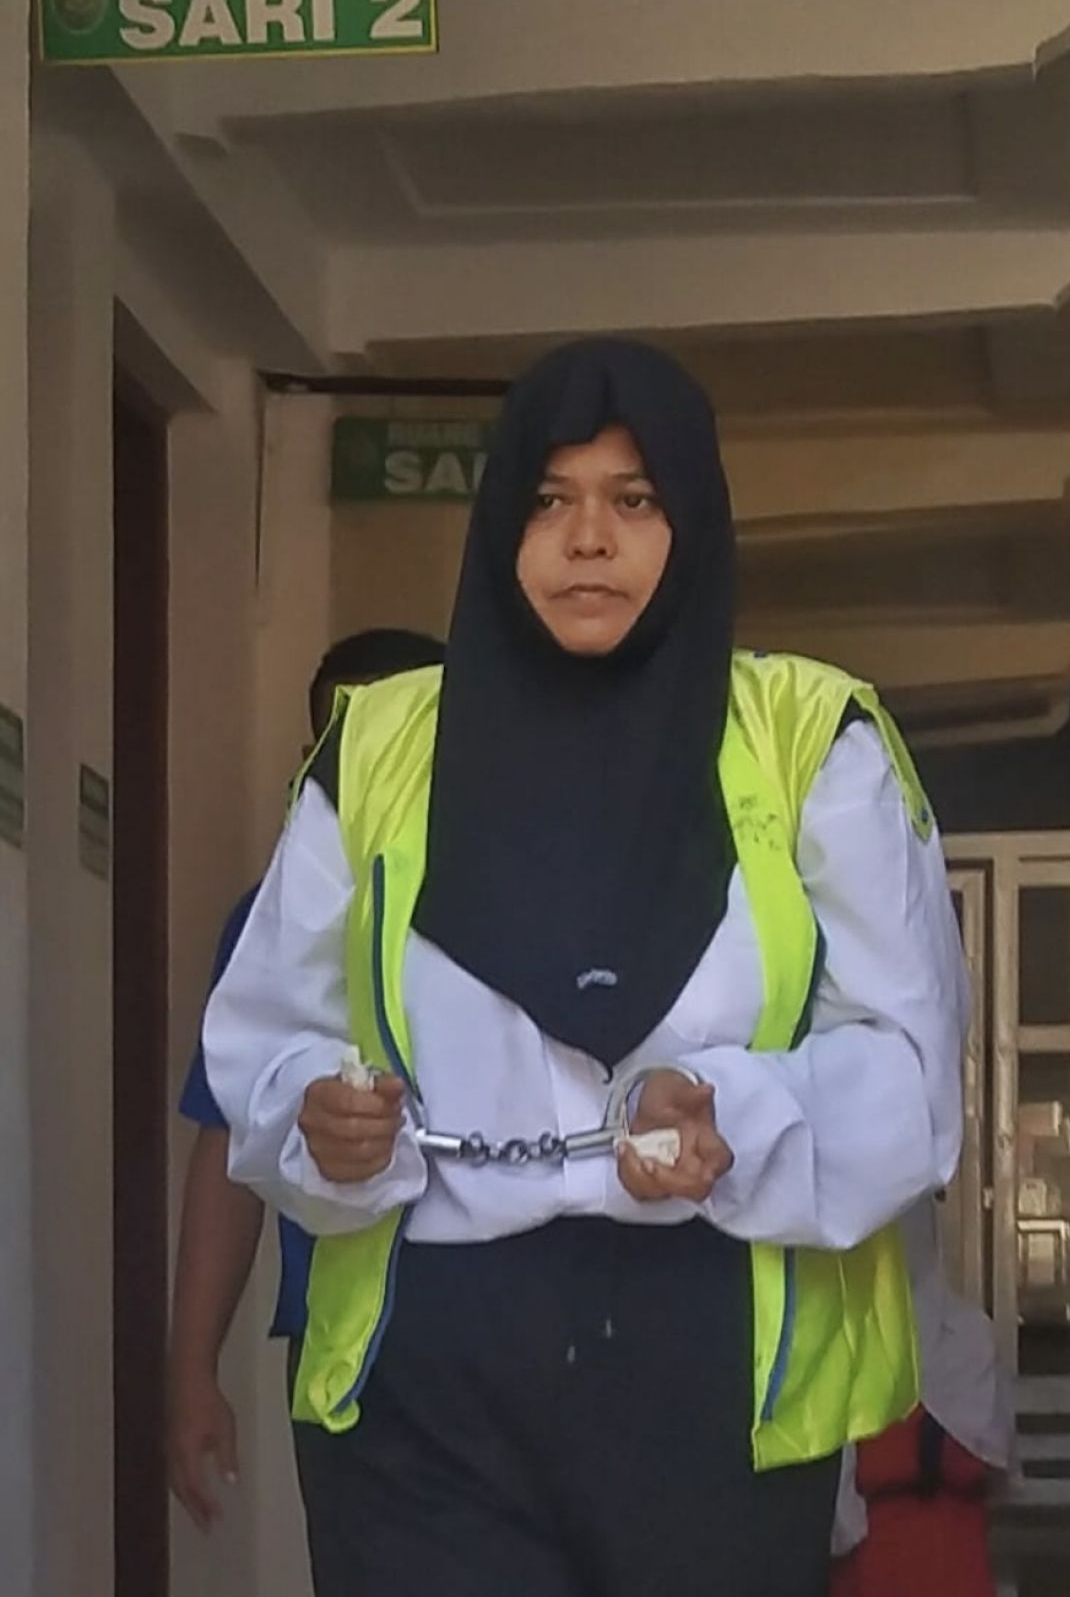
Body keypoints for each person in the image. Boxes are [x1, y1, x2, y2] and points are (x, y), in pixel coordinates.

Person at [202, 338, 968, 1597]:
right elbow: (265, 1037)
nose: (588, 539)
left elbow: (911, 1066)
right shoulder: (380, 743)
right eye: (549, 498)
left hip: (709, 1359)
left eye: (635, 498)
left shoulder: (808, 739)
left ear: (694, 518)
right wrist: (320, 1116)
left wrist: (735, 1115)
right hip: (430, 1375)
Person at [167, 628, 447, 1534]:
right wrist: (191, 1367)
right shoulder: (269, 925)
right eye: (336, 742)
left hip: (521, 1342)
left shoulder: (529, 909)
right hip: (349, 1360)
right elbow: (229, 1142)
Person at [830, 1194, 1015, 1597]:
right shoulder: (968, 1337)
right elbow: (997, 1466)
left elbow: (838, 1511)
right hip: (919, 1569)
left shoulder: (850, 1343)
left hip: (918, 1567)